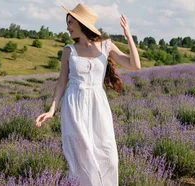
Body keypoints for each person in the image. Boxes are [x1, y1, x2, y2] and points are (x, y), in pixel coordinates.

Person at [35, 3, 141, 185]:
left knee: (109, 156)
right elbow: (61, 82)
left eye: (70, 23)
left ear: (80, 23)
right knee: (82, 159)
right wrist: (52, 110)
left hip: (98, 106)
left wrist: (128, 35)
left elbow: (134, 64)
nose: (67, 27)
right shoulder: (69, 50)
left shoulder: (106, 46)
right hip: (74, 106)